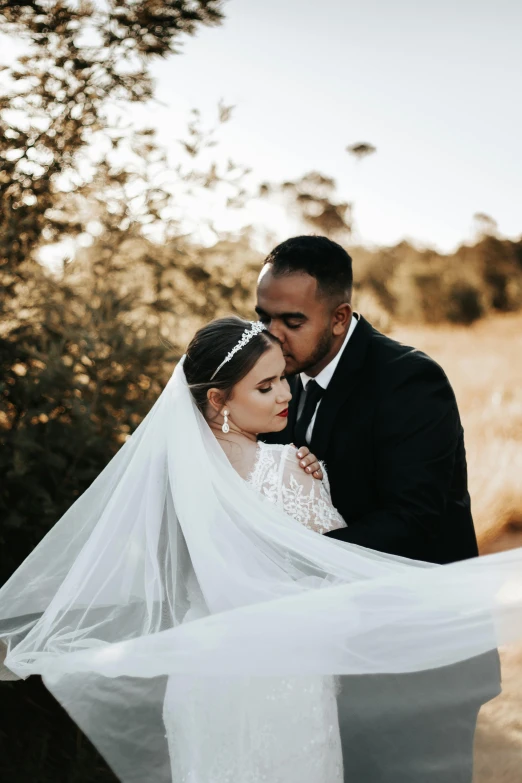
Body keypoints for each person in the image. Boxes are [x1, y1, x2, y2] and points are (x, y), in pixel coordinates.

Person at [0, 313, 517, 783]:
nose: (285, 394)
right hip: (283, 682)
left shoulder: (165, 481)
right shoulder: (291, 468)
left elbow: (151, 581)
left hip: (200, 681)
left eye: (283, 378)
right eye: (265, 386)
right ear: (218, 401)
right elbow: (337, 574)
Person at [256, 234, 501, 782]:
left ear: (339, 318)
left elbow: (414, 519)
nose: (272, 335)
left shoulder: (409, 381)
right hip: (335, 656)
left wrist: (290, 559)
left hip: (421, 659)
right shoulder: (277, 382)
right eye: (263, 317)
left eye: (291, 321)